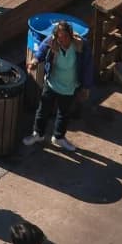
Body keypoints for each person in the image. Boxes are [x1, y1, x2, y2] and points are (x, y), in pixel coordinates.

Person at [23, 20, 90, 151]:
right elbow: (41, 51)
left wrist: (86, 87)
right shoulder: (52, 42)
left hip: (69, 87)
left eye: (65, 36)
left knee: (64, 113)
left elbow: (87, 66)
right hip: (52, 83)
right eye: (60, 37)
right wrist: (34, 62)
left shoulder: (80, 45)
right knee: (43, 110)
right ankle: (38, 134)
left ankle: (59, 137)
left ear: (70, 35)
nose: (62, 40)